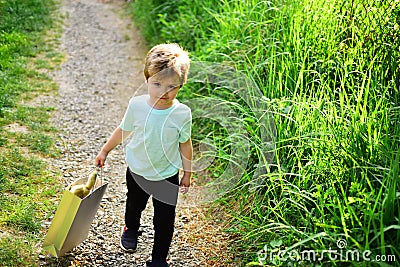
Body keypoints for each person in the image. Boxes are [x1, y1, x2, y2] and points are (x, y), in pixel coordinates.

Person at [95, 43, 192, 267]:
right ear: (147, 79)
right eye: (157, 84)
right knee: (134, 205)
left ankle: (159, 259)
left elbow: (185, 144)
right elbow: (123, 130)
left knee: (165, 220)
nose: (164, 92)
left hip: (167, 175)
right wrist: (105, 150)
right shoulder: (137, 106)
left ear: (181, 85)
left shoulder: (181, 113)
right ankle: (131, 228)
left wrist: (187, 172)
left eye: (172, 87)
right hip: (138, 171)